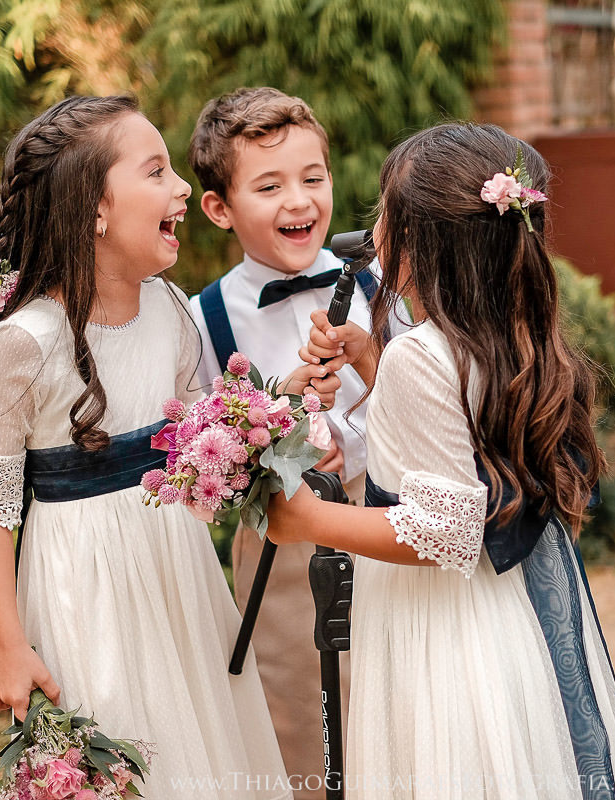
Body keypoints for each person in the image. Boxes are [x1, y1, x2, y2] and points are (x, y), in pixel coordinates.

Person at [268, 122, 615, 800]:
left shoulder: (423, 354)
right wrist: (371, 358)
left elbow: (447, 530)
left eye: (385, 210)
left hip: (442, 628)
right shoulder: (502, 331)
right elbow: (459, 445)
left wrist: (307, 519)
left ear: (415, 242)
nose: (375, 225)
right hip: (505, 613)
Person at [0, 95, 291, 800]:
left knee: (203, 733)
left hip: (176, 567)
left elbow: (196, 428)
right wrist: (10, 646)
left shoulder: (167, 307)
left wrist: (251, 434)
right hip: (84, 580)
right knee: (124, 737)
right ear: (94, 210)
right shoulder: (26, 343)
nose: (182, 188)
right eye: (157, 171)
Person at [185, 87, 376, 796]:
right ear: (219, 208)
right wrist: (277, 416)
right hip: (280, 540)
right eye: (269, 186)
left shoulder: (376, 286)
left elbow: (416, 407)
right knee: (297, 704)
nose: (298, 201)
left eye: (312, 178)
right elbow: (203, 460)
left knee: (389, 690)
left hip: (376, 515)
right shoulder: (205, 318)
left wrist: (354, 420)